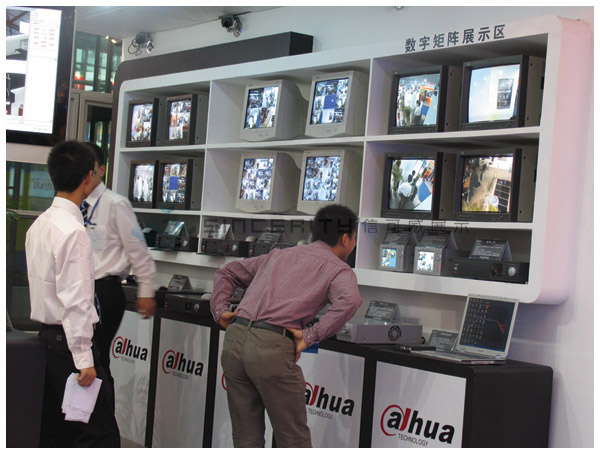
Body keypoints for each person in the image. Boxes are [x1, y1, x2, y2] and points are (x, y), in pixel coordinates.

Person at [210, 204, 362, 448]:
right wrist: (310, 335)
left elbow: (228, 272)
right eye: (354, 237)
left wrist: (220, 311)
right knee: (293, 440)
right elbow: (350, 301)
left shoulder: (278, 255)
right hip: (271, 347)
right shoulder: (338, 269)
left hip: (235, 339)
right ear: (346, 238)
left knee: (245, 438)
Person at [26, 140, 120, 447]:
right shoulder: (73, 232)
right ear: (88, 178)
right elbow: (76, 301)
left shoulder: (39, 225)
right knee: (100, 436)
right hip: (70, 347)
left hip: (47, 341)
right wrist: (84, 359)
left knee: (55, 433)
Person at [81, 143, 157, 398]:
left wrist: (146, 291)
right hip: (79, 287)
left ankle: (104, 416)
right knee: (79, 359)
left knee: (96, 358)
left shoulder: (116, 204)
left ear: (101, 170)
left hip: (104, 288)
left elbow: (139, 250)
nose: (85, 176)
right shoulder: (74, 203)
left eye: (90, 170)